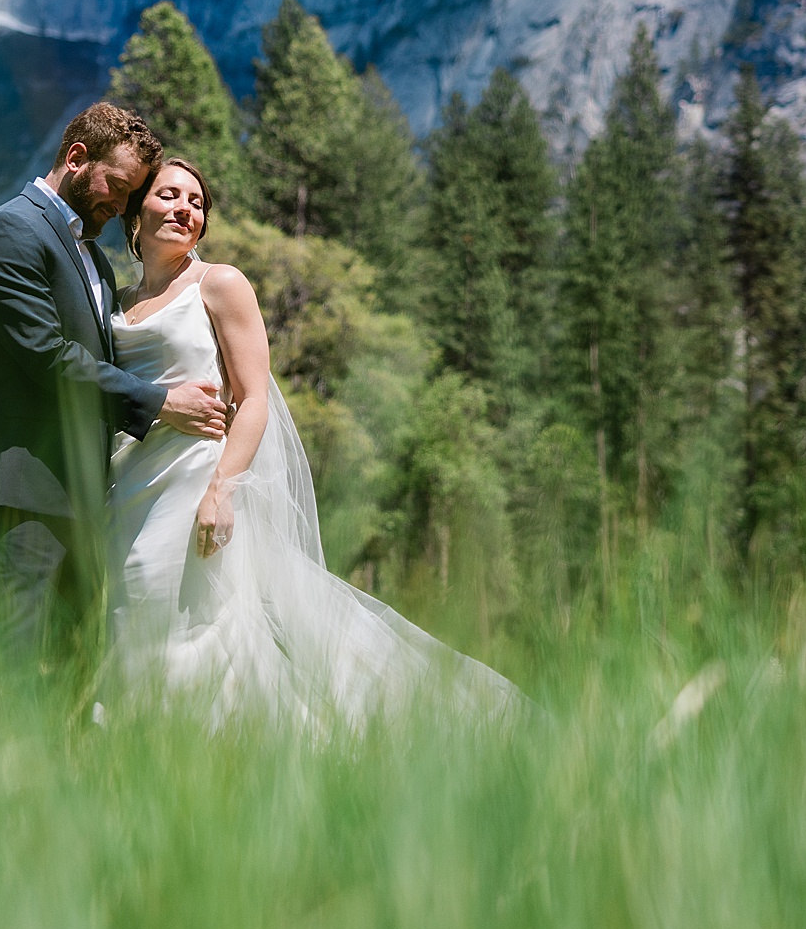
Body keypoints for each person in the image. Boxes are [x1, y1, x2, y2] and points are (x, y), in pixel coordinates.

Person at [105, 156, 521, 729]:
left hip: (194, 482)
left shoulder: (220, 285)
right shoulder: (116, 303)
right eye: (171, 195)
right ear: (137, 211)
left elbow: (252, 400)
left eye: (198, 203)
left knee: (195, 627)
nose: (186, 210)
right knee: (132, 618)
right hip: (130, 487)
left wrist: (220, 491)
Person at [0, 103, 230, 665]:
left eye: (133, 195)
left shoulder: (95, 260)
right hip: (28, 487)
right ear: (77, 158)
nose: (122, 204)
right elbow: (48, 357)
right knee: (2, 657)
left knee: (71, 666)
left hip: (93, 496)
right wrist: (161, 403)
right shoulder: (10, 231)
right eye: (119, 186)